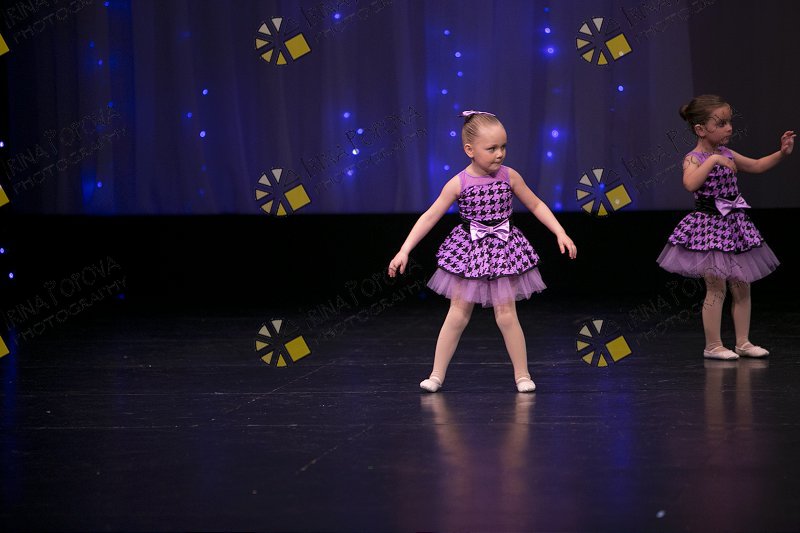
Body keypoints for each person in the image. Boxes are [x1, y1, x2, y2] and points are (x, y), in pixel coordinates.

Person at [388, 110, 577, 392]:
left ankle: (522, 375)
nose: (499, 154)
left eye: (503, 147)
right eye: (491, 148)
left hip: (503, 249)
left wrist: (560, 231)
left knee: (506, 314)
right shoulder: (458, 183)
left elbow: (536, 204)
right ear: (470, 150)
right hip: (470, 251)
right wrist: (404, 250)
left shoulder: (510, 176)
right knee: (457, 313)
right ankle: (436, 375)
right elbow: (430, 216)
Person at [657, 94, 794, 360]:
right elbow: (690, 183)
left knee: (742, 285)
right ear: (701, 129)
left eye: (729, 122)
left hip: (734, 226)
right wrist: (712, 161)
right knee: (716, 287)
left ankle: (743, 342)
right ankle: (713, 345)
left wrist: (782, 153)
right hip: (709, 228)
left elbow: (756, 165)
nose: (729, 128)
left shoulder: (727, 153)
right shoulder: (694, 158)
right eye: (721, 124)